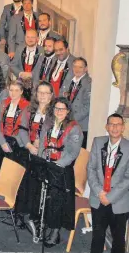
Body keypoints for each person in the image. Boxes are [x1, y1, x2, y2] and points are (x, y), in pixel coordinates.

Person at [36, 97, 83, 247]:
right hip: (48, 165)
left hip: (62, 169)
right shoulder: (48, 123)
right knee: (45, 197)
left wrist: (57, 165)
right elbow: (42, 143)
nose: (59, 111)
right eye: (56, 108)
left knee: (56, 200)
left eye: (62, 109)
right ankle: (48, 223)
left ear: (68, 111)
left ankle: (55, 232)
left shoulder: (74, 128)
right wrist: (44, 161)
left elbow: (72, 153)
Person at [88, 114, 129, 253]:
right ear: (106, 127)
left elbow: (128, 178)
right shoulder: (98, 142)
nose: (115, 127)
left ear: (123, 127)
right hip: (98, 198)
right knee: (97, 237)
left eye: (118, 124)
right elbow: (90, 169)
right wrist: (100, 192)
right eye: (111, 124)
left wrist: (110, 197)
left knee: (118, 240)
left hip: (119, 200)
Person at [21, 81, 55, 233]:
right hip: (29, 151)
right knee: (28, 185)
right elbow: (21, 130)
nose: (42, 96)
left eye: (46, 93)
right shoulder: (29, 109)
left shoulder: (55, 113)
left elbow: (56, 135)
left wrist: (39, 145)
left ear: (51, 95)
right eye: (40, 92)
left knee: (42, 187)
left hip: (45, 155)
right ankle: (28, 215)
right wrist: (29, 145)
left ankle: (40, 218)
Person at [0, 81, 30, 192]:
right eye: (11, 90)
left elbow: (25, 128)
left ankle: (10, 195)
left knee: (12, 171)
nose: (13, 93)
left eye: (16, 90)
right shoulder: (3, 103)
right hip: (2, 140)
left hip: (17, 143)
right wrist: (2, 142)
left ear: (21, 92)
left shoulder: (27, 106)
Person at [10, 29, 44, 99]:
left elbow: (43, 70)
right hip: (20, 86)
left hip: (36, 87)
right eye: (28, 37)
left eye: (32, 37)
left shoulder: (42, 51)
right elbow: (12, 65)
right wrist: (20, 73)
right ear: (25, 38)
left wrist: (32, 74)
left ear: (37, 39)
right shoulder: (20, 49)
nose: (30, 39)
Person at [66, 57, 91, 149]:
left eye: (80, 67)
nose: (77, 69)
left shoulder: (89, 83)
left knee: (79, 151)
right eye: (75, 66)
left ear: (86, 69)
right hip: (69, 122)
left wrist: (73, 119)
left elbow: (87, 106)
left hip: (81, 124)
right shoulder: (70, 81)